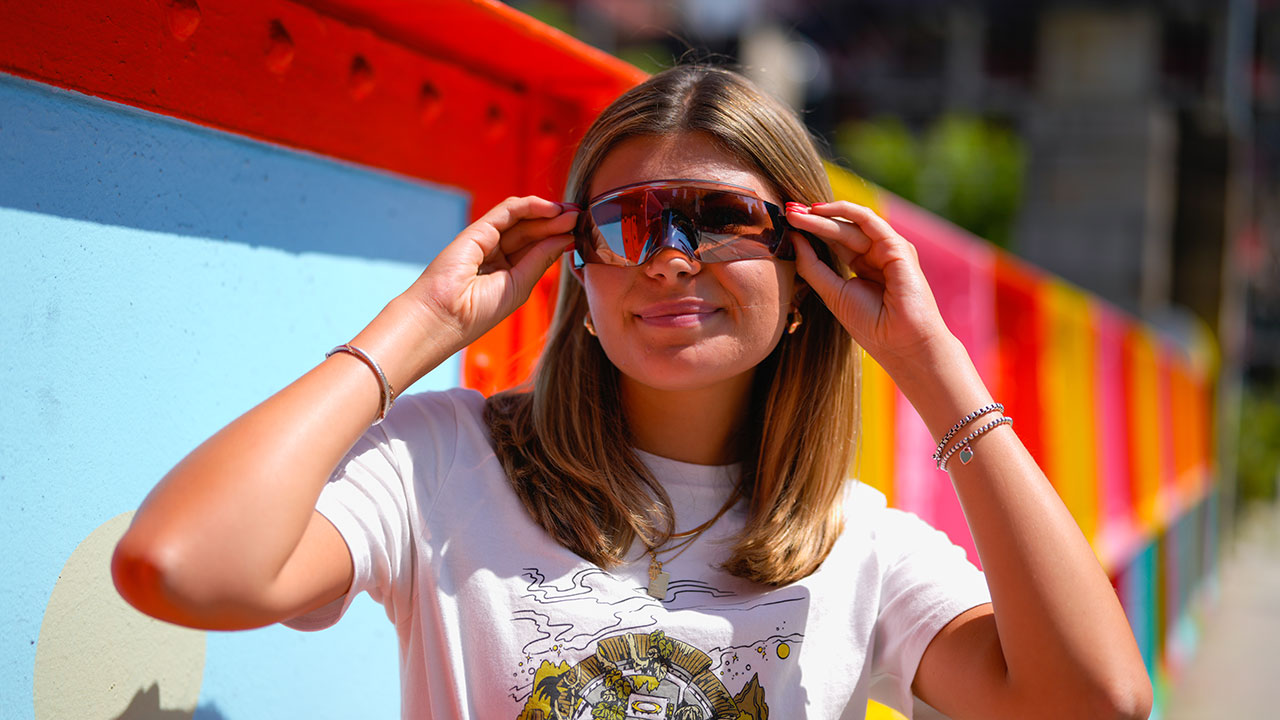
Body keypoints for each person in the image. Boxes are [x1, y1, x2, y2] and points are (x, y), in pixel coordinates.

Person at [113, 65, 1152, 719]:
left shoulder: (857, 549)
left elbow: (1094, 702)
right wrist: (418, 329)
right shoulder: (446, 464)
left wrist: (932, 371)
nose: (664, 259)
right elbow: (180, 567)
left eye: (713, 218)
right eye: (621, 223)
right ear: (579, 268)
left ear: (805, 273)